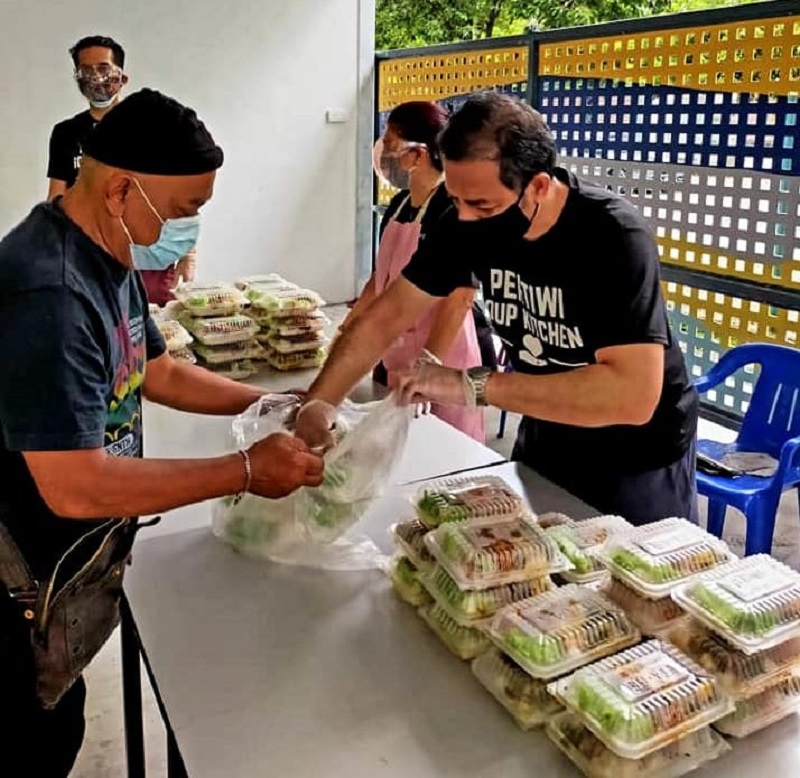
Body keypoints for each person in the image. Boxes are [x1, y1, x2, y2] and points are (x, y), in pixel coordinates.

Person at [0, 88, 324, 776]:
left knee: (59, 719)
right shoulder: (50, 294)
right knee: (31, 743)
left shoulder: (105, 250)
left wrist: (279, 403)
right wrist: (244, 472)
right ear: (122, 189)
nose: (187, 230)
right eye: (182, 211)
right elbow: (76, 487)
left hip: (69, 568)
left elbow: (157, 370)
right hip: (21, 580)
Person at [297, 91, 699, 526]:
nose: (465, 219)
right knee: (532, 557)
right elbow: (385, 318)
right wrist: (319, 403)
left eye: (482, 205)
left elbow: (631, 395)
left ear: (538, 186)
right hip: (547, 432)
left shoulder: (611, 236)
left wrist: (470, 385)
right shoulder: (463, 224)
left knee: (622, 564)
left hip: (636, 456)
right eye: (456, 199)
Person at [342, 100, 484, 441]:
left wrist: (428, 364)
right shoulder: (399, 204)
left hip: (445, 357)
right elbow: (381, 280)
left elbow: (460, 298)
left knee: (445, 449)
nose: (384, 153)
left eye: (391, 142)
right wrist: (349, 330)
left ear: (418, 155)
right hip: (398, 356)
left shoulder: (451, 208)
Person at [46, 35, 129, 201]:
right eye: (87, 70)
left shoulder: (148, 126)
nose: (96, 77)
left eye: (104, 68)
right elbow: (56, 195)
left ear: (122, 78)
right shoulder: (66, 132)